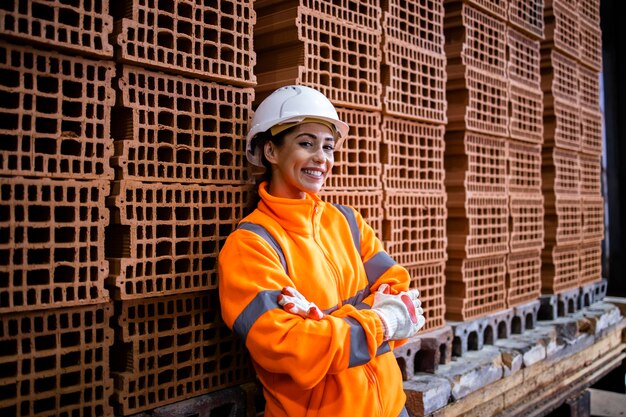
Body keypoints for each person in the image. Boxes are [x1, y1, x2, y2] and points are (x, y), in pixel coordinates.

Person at [218, 85, 426, 417]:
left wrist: (326, 322)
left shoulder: (348, 223)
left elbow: (403, 300)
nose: (322, 158)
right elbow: (293, 348)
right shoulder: (251, 246)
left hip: (392, 408)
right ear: (271, 151)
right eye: (306, 144)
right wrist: (381, 323)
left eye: (328, 147)